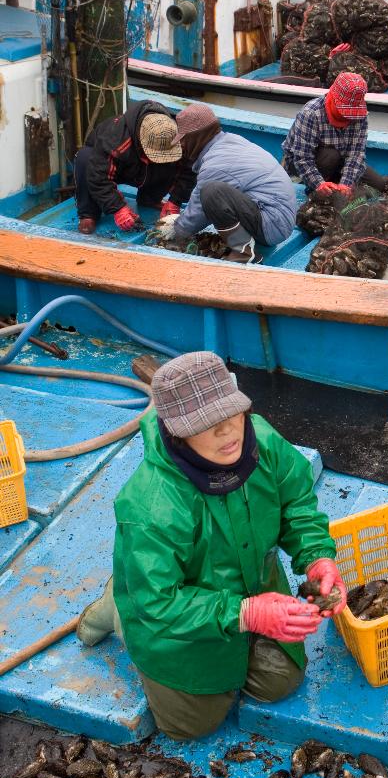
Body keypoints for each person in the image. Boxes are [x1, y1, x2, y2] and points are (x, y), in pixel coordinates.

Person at [76, 351, 347, 741]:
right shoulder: (150, 504)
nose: (228, 432)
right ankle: (117, 603)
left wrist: (317, 557)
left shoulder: (263, 441)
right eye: (207, 424)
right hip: (174, 613)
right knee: (189, 727)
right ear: (177, 432)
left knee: (280, 682)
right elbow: (159, 602)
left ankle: (223, 621)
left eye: (232, 413)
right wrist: (245, 614)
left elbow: (297, 505)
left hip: (251, 585)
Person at [157, 103, 297, 263]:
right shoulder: (228, 141)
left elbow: (199, 210)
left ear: (196, 136)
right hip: (277, 216)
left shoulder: (216, 163)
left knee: (212, 193)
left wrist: (176, 232)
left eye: (183, 139)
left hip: (272, 225)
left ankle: (243, 252)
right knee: (212, 192)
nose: (181, 144)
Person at [74, 98, 192, 235]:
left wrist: (175, 201)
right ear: (141, 141)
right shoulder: (116, 137)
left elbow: (188, 170)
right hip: (113, 168)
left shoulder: (176, 132)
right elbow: (98, 176)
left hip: (144, 170)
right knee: (84, 158)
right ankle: (88, 213)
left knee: (170, 163)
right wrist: (118, 208)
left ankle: (149, 198)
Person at [282, 71, 388, 197]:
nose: (347, 118)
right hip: (300, 163)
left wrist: (346, 183)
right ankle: (315, 189)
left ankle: (335, 182)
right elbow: (302, 158)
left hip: (340, 161)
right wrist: (318, 184)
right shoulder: (311, 113)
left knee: (378, 184)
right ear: (332, 97)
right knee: (330, 155)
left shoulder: (360, 116)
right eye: (344, 111)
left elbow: (356, 155)